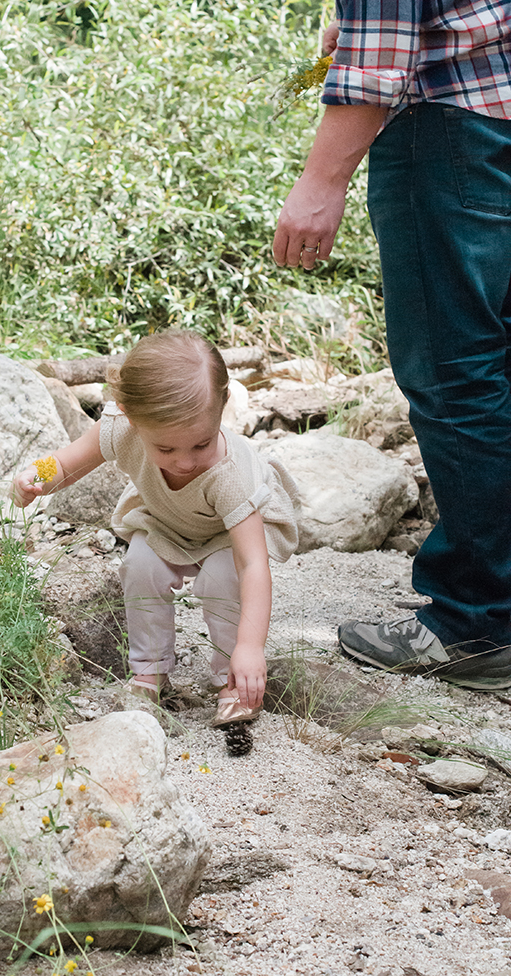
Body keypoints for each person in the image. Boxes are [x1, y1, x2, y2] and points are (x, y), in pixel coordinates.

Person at [273, 1, 511, 691]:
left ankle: (477, 625)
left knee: (455, 374)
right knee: (493, 367)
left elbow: (383, 51)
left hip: (446, 133)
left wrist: (321, 179)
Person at [11, 330, 299, 724]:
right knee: (141, 565)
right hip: (169, 521)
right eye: (165, 449)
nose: (184, 462)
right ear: (128, 414)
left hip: (231, 536)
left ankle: (234, 679)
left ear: (223, 405)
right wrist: (35, 475)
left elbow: (253, 565)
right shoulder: (119, 426)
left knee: (221, 577)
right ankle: (149, 669)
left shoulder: (231, 476)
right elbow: (63, 464)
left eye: (201, 444)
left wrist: (252, 646)